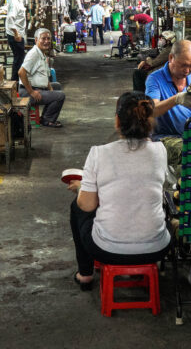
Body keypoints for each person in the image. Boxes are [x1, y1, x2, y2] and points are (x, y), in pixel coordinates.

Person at [68, 91, 172, 290]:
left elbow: (87, 205)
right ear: (149, 122)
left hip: (108, 249)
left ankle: (85, 274)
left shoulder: (99, 154)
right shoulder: (160, 151)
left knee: (77, 207)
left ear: (117, 121)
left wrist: (83, 187)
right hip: (157, 248)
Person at [144, 40, 191, 170]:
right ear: (171, 58)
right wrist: (177, 99)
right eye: (183, 65)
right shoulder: (155, 79)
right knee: (188, 151)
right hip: (164, 138)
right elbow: (151, 111)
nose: (187, 70)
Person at [19, 28, 66, 128]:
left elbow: (44, 74)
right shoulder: (34, 54)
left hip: (37, 87)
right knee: (60, 96)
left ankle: (45, 116)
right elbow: (21, 72)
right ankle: (47, 120)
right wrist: (31, 92)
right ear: (36, 40)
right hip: (26, 92)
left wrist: (49, 88)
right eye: (43, 38)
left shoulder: (41, 53)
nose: (46, 41)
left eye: (48, 39)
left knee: (56, 86)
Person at [5, 0, 35, 81]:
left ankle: (18, 82)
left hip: (17, 34)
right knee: (18, 59)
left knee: (19, 58)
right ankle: (15, 82)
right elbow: (10, 19)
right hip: (15, 36)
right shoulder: (13, 2)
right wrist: (16, 34)